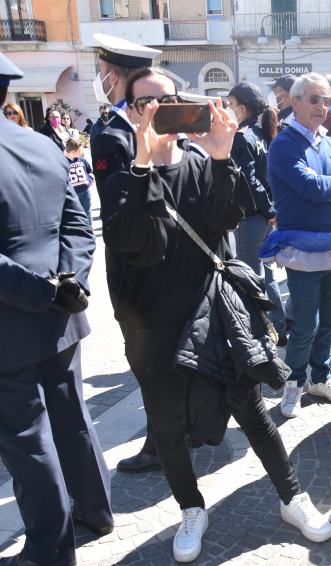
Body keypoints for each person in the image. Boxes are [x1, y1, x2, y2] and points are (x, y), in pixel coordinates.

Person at [104, 67, 331, 564]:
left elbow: (230, 218)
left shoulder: (202, 162)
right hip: (156, 326)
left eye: (169, 101)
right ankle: (191, 508)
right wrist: (144, 163)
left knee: (251, 410)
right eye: (146, 103)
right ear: (129, 111)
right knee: (166, 427)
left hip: (213, 313)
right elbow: (135, 247)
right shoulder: (123, 174)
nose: (158, 112)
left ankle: (292, 496)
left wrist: (223, 154)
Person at [0, 54, 112, 566]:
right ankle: (96, 511)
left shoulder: (41, 141)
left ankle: (50, 549)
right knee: (72, 418)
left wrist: (41, 291)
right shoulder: (40, 143)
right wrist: (69, 283)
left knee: (26, 437)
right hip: (59, 309)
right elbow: (78, 224)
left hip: (13, 318)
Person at [264, 72, 331, 417]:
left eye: (327, 100)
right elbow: (309, 187)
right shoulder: (284, 144)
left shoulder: (330, 142)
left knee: (330, 322)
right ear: (295, 102)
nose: (323, 106)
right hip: (302, 252)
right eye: (315, 99)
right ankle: (293, 384)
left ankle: (319, 378)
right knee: (305, 323)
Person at [88, 33, 164, 475]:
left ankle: (159, 443)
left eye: (101, 74)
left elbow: (118, 213)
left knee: (146, 356)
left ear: (114, 77)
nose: (101, 80)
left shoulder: (111, 132)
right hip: (164, 257)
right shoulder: (162, 126)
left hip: (136, 265)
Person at [226, 81, 290, 345]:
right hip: (267, 216)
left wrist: (268, 210)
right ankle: (278, 328)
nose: (229, 110)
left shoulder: (244, 136)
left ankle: (263, 331)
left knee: (252, 277)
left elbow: (250, 181)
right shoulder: (269, 131)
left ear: (242, 108)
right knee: (267, 274)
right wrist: (273, 210)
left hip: (253, 216)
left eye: (230, 105)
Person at [64, 138, 94, 225]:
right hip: (73, 193)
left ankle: (89, 232)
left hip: (85, 191)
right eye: (79, 150)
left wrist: (90, 179)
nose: (81, 152)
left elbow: (90, 171)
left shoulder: (82, 160)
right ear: (73, 151)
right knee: (75, 215)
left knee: (87, 212)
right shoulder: (64, 162)